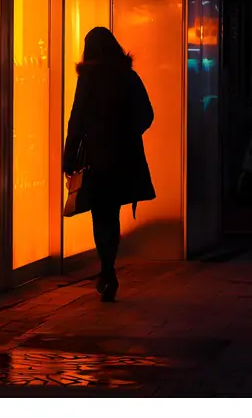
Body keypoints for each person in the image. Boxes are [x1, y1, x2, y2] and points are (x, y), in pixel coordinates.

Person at [63, 27, 156, 302]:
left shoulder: (88, 80)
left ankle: (107, 269)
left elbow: (76, 119)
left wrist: (69, 156)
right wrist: (128, 134)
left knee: (101, 214)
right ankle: (107, 268)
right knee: (111, 212)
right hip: (123, 158)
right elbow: (147, 114)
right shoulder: (128, 77)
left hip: (96, 159)